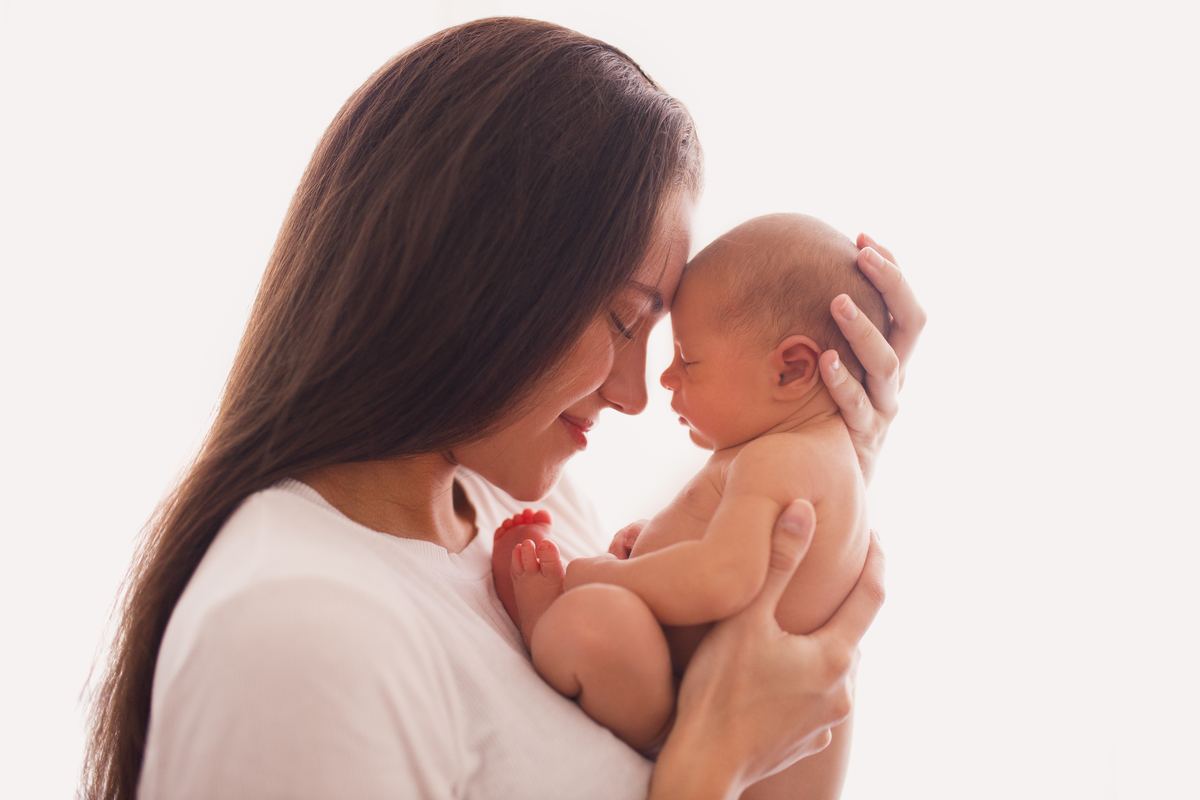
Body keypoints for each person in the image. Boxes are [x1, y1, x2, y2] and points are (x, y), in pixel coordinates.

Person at [82, 18, 923, 800]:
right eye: (625, 321)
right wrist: (708, 764)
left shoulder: (523, 505)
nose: (635, 395)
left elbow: (772, 750)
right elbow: (718, 759)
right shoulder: (297, 635)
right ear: (477, 282)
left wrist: (824, 470)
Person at [490, 213, 887, 796]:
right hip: (733, 706)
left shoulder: (782, 458)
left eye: (688, 360)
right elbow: (736, 541)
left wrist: (604, 572)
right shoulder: (808, 453)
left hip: (703, 709)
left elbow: (724, 578)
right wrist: (658, 536)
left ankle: (542, 623)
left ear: (792, 368)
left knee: (591, 621)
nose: (666, 380)